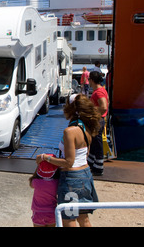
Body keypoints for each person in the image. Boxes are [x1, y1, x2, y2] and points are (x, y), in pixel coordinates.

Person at [36, 94, 101, 227]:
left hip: (72, 178)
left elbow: (68, 162)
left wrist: (45, 158)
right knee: (83, 218)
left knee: (68, 219)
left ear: (71, 109)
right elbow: (85, 153)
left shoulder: (70, 131)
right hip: (85, 175)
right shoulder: (86, 128)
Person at [88, 71, 109, 176]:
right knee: (94, 142)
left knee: (97, 142)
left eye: (89, 79)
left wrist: (90, 108)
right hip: (99, 119)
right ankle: (91, 163)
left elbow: (104, 107)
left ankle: (98, 167)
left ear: (92, 80)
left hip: (98, 120)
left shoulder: (98, 92)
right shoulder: (101, 90)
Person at [29, 153, 59, 227]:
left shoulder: (35, 182)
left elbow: (31, 184)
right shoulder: (57, 182)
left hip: (38, 212)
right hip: (52, 212)